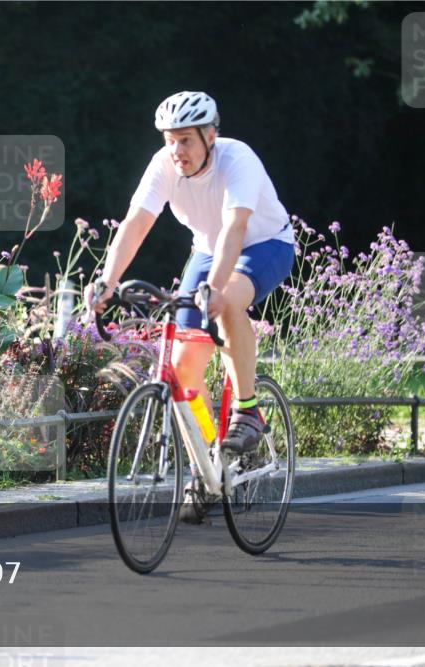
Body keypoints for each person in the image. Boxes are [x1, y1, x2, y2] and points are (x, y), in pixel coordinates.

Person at [85, 91, 295, 522]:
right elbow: (137, 223)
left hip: (263, 244)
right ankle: (207, 463)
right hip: (206, 250)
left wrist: (217, 290)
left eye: (185, 140)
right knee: (182, 369)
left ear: (210, 136)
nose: (176, 150)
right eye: (169, 140)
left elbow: (236, 228)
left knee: (229, 301)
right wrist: (107, 281)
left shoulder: (238, 160)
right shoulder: (164, 166)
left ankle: (249, 410)